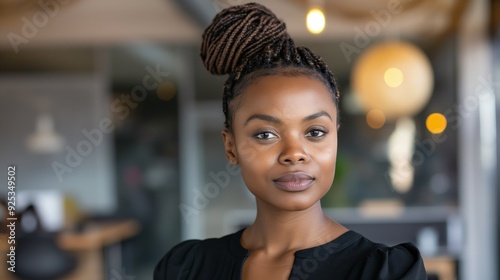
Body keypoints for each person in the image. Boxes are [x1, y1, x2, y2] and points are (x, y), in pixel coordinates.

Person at [154, 2, 427, 280]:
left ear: (335, 138)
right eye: (265, 135)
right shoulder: (185, 269)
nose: (294, 153)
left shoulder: (387, 273)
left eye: (315, 132)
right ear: (230, 147)